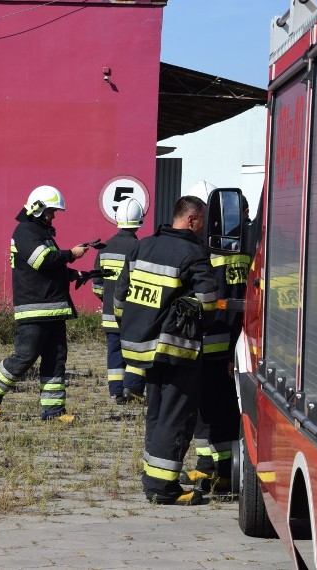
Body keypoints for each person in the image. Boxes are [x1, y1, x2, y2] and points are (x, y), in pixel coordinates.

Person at [113, 196, 219, 505]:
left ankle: (152, 478)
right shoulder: (194, 253)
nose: (202, 228)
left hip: (143, 347)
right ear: (191, 220)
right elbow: (210, 302)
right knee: (176, 415)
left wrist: (132, 327)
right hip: (177, 350)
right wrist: (200, 318)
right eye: (201, 221)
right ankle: (163, 488)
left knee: (157, 412)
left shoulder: (142, 246)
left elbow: (120, 298)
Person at [0, 185, 89, 423]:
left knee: (56, 359)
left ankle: (54, 411)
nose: (53, 216)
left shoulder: (41, 234)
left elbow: (50, 269)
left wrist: (75, 274)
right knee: (25, 355)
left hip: (52, 309)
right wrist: (71, 254)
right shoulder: (25, 231)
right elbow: (41, 260)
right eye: (51, 212)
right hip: (35, 308)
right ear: (38, 209)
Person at [181, 195, 251, 494]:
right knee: (223, 409)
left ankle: (216, 471)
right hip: (236, 342)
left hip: (212, 343)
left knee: (211, 410)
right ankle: (218, 470)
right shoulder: (249, 249)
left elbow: (211, 301)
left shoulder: (209, 250)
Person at [92, 197, 146, 405]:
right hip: (132, 313)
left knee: (114, 352)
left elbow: (97, 283)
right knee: (134, 351)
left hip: (109, 314)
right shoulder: (139, 248)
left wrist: (105, 299)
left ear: (117, 219)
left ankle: (116, 391)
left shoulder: (104, 248)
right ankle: (131, 389)